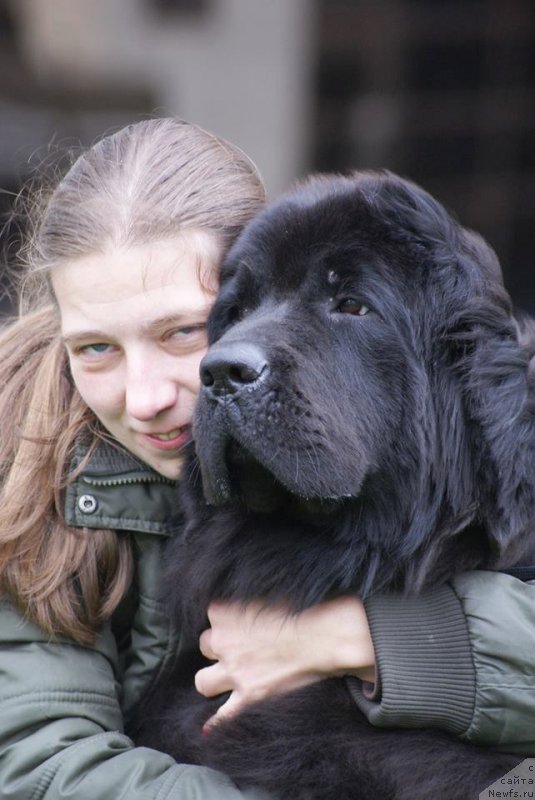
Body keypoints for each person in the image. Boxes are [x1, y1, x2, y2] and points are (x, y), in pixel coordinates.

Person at [0, 118, 533, 800]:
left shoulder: (490, 421)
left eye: (184, 332)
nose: (145, 397)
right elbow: (43, 760)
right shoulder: (31, 477)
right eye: (95, 347)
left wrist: (369, 639)